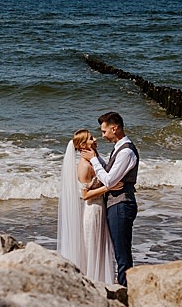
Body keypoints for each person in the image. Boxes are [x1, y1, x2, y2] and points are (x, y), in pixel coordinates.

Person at [83, 111, 138, 285]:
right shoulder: (119, 149)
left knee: (121, 253)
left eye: (104, 131)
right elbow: (110, 176)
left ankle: (125, 289)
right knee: (119, 251)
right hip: (116, 204)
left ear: (114, 128)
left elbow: (108, 179)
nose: (103, 135)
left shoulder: (126, 152)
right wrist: (96, 157)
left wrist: (93, 160)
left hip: (122, 204)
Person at [56, 129, 116, 283]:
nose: (95, 139)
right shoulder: (83, 166)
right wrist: (108, 187)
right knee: (93, 249)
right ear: (83, 145)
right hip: (93, 210)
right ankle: (93, 281)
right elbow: (85, 195)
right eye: (91, 138)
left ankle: (101, 280)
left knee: (100, 249)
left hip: (100, 208)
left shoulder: (93, 160)